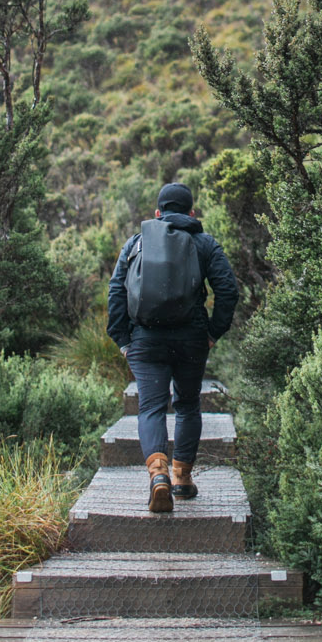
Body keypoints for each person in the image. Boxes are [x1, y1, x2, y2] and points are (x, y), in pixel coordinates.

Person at [107, 181, 238, 512]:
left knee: (150, 408)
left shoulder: (136, 242)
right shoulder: (205, 242)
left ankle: (158, 475)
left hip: (146, 340)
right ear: (192, 213)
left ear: (157, 213)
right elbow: (228, 290)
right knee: (188, 406)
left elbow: (116, 291)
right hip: (192, 338)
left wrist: (123, 339)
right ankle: (181, 478)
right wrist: (212, 332)